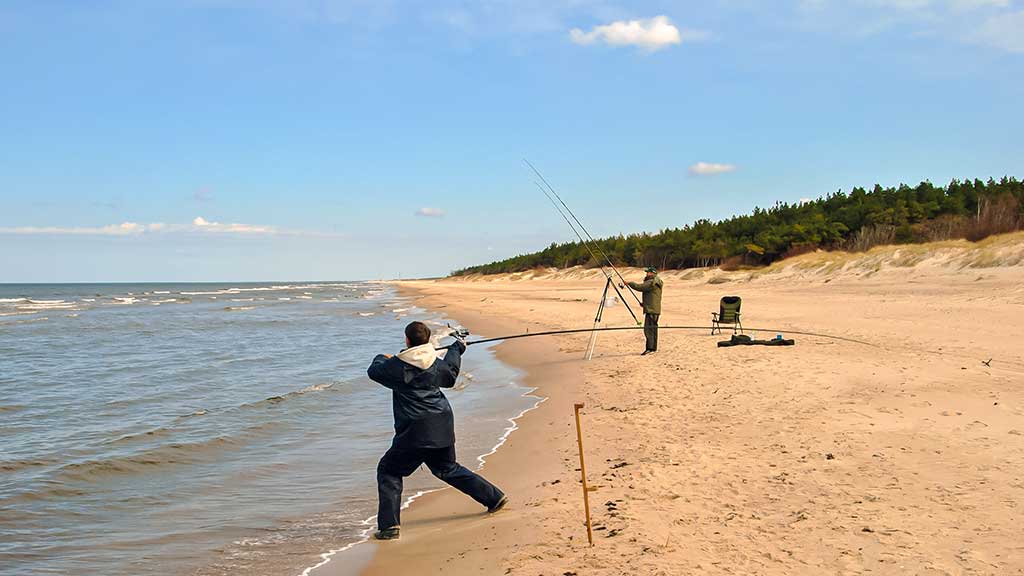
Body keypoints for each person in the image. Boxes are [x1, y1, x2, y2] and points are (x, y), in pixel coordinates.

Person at [367, 321, 507, 540]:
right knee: (447, 468)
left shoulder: (395, 367)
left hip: (414, 432)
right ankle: (494, 498)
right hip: (441, 424)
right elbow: (450, 374)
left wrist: (382, 357)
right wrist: (457, 347)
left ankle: (388, 527)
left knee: (389, 471)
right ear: (428, 340)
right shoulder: (434, 362)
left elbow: (373, 371)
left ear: (407, 340)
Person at [623, 266, 663, 355]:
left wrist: (629, 283)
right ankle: (653, 348)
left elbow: (640, 287)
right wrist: (644, 304)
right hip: (653, 308)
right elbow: (652, 296)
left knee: (649, 329)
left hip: (652, 309)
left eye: (648, 272)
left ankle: (650, 348)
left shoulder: (652, 282)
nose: (647, 274)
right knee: (653, 328)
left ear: (652, 273)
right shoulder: (655, 282)